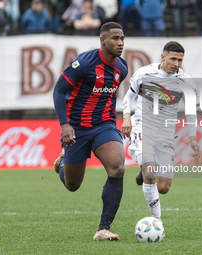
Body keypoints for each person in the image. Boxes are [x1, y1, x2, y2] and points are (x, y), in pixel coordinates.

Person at [53, 22, 128, 241]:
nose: (120, 42)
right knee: (72, 185)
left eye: (122, 38)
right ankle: (64, 162)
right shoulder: (83, 63)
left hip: (104, 125)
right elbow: (59, 90)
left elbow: (109, 96)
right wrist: (65, 125)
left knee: (117, 167)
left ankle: (103, 228)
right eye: (115, 38)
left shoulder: (121, 68)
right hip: (77, 128)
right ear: (103, 40)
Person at [121, 41, 201, 223]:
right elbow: (130, 95)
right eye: (173, 59)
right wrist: (126, 117)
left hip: (165, 133)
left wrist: (193, 137)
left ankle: (144, 172)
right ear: (163, 57)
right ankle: (156, 222)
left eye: (180, 60)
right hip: (142, 126)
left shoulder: (186, 82)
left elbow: (190, 111)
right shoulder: (144, 72)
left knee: (163, 187)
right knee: (151, 172)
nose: (176, 64)